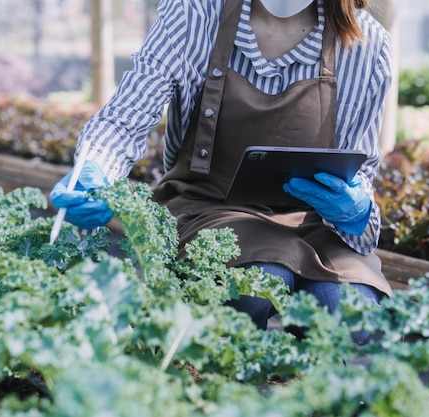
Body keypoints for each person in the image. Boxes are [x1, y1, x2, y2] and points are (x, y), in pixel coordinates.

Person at [51, 0, 394, 340]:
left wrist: (355, 210)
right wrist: (95, 167)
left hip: (315, 222)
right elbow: (127, 116)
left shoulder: (365, 43)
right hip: (208, 208)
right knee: (255, 284)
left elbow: (358, 168)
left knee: (350, 309)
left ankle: (306, 390)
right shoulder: (195, 14)